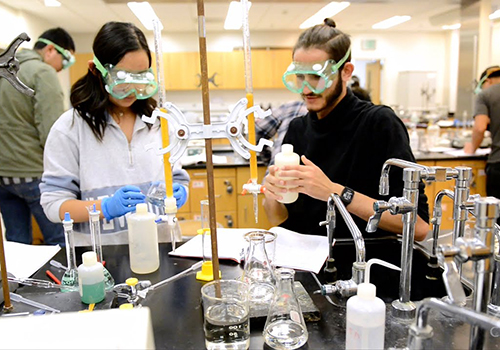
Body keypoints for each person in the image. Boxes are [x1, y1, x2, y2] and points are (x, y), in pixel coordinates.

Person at [263, 18, 429, 241]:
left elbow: (418, 226)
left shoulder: (378, 123)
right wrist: (273, 194)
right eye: (300, 77)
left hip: (363, 265)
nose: (306, 88)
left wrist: (335, 192)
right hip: (304, 263)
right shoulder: (297, 128)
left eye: (317, 77)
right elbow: (277, 219)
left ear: (346, 71)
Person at [40, 22, 189, 242]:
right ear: (95, 70)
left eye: (139, 79)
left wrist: (180, 191)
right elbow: (54, 206)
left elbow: (176, 178)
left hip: (160, 248)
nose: (132, 90)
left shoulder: (160, 122)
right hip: (100, 257)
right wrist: (105, 207)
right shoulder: (69, 128)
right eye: (121, 79)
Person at [0, 27, 75, 245]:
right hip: (33, 174)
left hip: (3, 175)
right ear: (51, 50)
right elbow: (52, 133)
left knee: (16, 243)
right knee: (59, 242)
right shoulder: (42, 72)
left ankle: (17, 281)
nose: (63, 68)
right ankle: (60, 280)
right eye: (66, 59)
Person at [464, 66, 500, 203]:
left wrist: (472, 147)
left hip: (498, 163)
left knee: (495, 218)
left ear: (488, 81)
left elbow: (480, 128)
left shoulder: (486, 95)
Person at [255, 100, 308, 166]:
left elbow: (257, 132)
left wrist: (269, 160)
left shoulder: (292, 106)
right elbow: (257, 132)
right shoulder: (292, 107)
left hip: (276, 172)